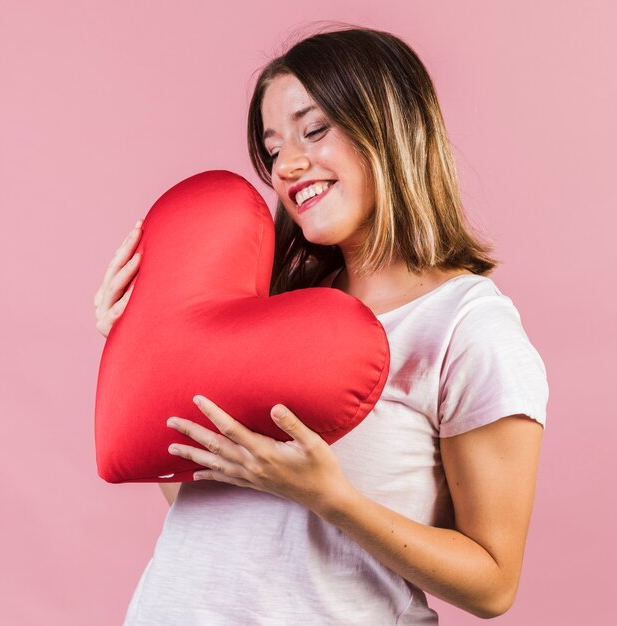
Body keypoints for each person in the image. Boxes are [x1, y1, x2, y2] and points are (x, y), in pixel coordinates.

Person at [93, 26, 548, 625]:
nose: (289, 165)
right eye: (273, 148)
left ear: (388, 128)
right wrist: (144, 345)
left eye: (314, 130)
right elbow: (208, 504)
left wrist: (330, 499)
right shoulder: (280, 309)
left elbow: (492, 585)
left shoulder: (469, 328)